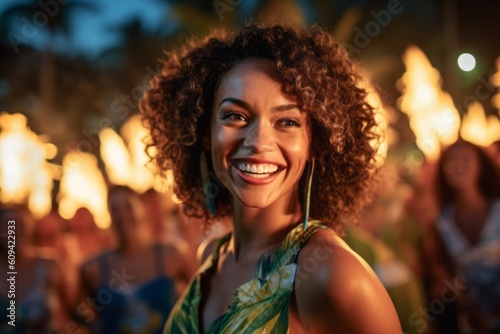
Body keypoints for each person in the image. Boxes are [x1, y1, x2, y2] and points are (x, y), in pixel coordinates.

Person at [141, 22, 402, 333]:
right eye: (235, 116)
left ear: (315, 143)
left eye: (287, 121)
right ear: (204, 131)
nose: (258, 142)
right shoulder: (211, 256)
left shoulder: (330, 273)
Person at [78, 185, 194, 334]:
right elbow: (83, 319)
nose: (122, 215)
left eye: (128, 206)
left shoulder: (171, 256)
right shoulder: (93, 269)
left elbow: (200, 301)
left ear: (142, 209)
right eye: (115, 209)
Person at [424, 140, 500, 333]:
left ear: (480, 166)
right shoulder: (440, 223)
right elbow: (441, 271)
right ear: (443, 171)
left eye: (466, 159)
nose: (458, 166)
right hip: (473, 321)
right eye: (451, 161)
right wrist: (468, 306)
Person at [0, 204, 71, 334]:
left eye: (20, 224)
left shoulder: (50, 264)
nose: (14, 230)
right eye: (8, 225)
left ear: (30, 227)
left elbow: (70, 311)